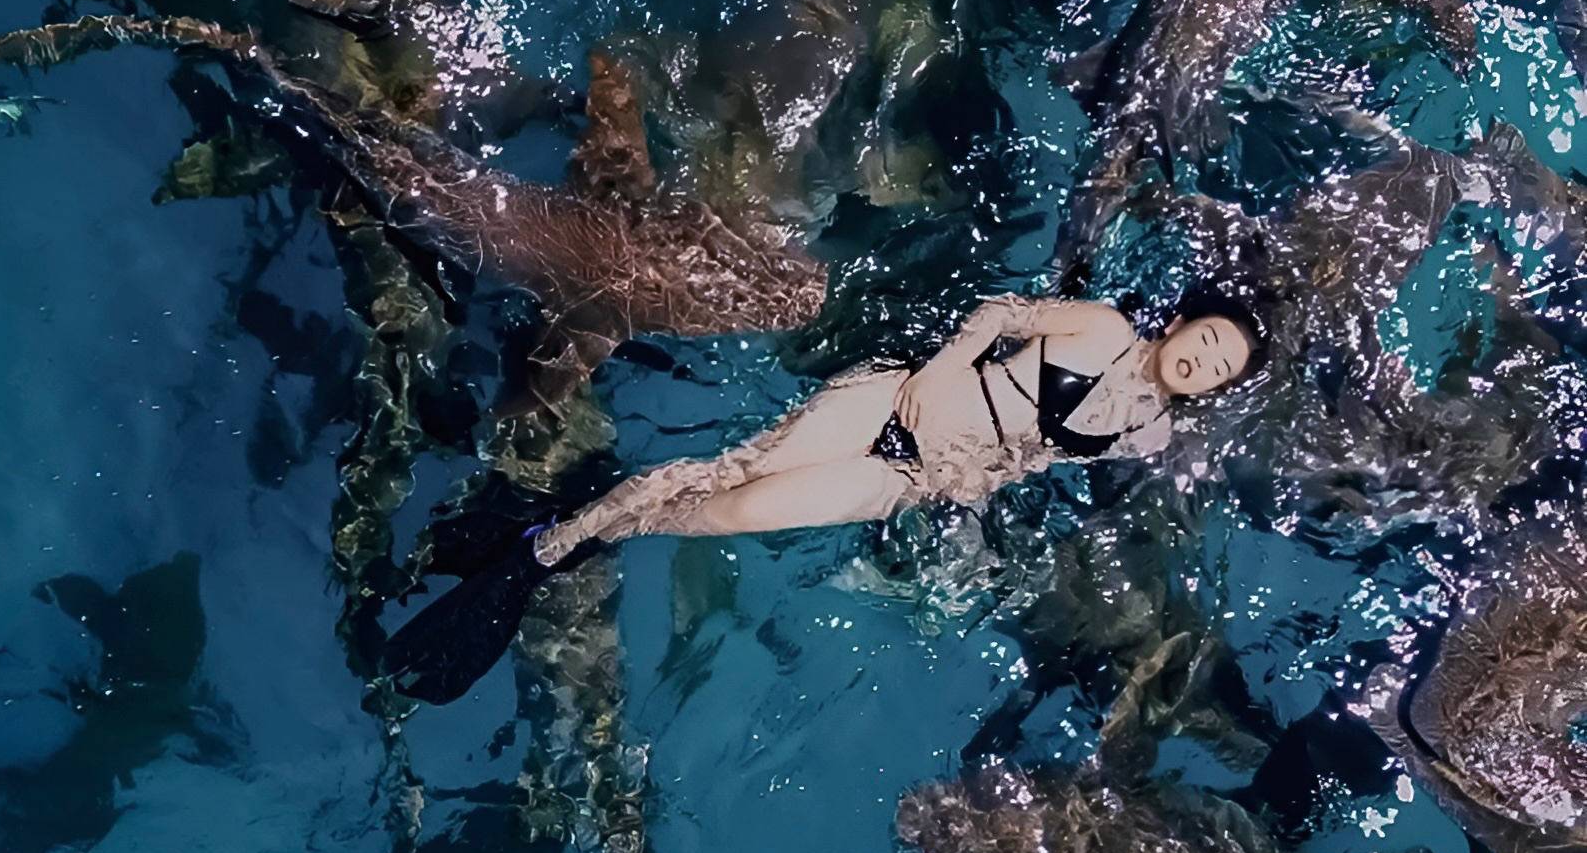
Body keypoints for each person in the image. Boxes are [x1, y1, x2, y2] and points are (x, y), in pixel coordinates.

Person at [530, 289, 1262, 565]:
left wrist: (983, 480)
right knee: (742, 470)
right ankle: (564, 534)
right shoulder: (1104, 329)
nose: (1204, 360)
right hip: (895, 402)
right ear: (1179, 323)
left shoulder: (1148, 433)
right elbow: (1001, 313)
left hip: (908, 477)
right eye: (1207, 339)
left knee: (738, 513)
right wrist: (943, 369)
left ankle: (614, 529)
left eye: (1220, 367)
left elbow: (1041, 453)